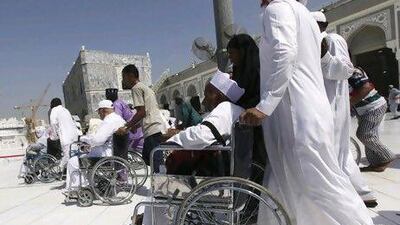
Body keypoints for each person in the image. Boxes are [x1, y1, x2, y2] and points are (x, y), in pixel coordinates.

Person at [240, 0, 373, 224]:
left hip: (296, 114)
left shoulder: (277, 9)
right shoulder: (301, 13)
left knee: (322, 185)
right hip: (303, 111)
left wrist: (265, 106)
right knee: (286, 182)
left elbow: (284, 52)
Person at [138, 70, 245, 225]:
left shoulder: (225, 108)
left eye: (207, 93)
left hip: (211, 176)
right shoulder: (235, 110)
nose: (204, 100)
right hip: (220, 171)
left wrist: (173, 139)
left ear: (218, 94)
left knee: (157, 189)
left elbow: (202, 134)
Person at [311, 11, 377, 207]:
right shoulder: (316, 43)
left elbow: (345, 70)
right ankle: (361, 194)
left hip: (334, 104)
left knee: (336, 151)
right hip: (323, 104)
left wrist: (323, 56)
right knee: (338, 152)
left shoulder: (332, 39)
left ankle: (352, 196)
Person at [227, 33, 267, 188]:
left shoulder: (258, 68)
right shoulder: (239, 70)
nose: (230, 57)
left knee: (260, 163)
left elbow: (260, 96)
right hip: (245, 126)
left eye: (232, 53)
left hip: (260, 125)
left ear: (242, 51)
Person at [65, 100, 126, 191]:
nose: (99, 115)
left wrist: (83, 139)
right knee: (82, 157)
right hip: (115, 153)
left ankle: (77, 188)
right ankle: (89, 184)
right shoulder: (119, 119)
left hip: (105, 155)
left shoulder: (109, 120)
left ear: (103, 110)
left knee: (73, 161)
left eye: (99, 112)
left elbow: (98, 140)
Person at [349, 67, 397, 172]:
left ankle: (387, 156)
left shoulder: (352, 71)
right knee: (371, 135)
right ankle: (376, 164)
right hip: (364, 110)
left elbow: (366, 87)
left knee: (364, 134)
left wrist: (349, 103)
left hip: (374, 107)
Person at [118, 64, 164, 172]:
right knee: (149, 159)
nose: (123, 81)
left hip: (151, 129)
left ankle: (162, 183)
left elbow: (141, 112)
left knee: (155, 161)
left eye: (123, 77)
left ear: (130, 76)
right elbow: (147, 112)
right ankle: (160, 181)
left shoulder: (136, 88)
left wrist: (127, 126)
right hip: (155, 127)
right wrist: (135, 125)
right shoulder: (145, 88)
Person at [49, 98, 79, 172]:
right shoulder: (65, 110)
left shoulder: (54, 110)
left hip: (65, 136)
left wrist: (54, 136)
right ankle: (68, 170)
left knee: (67, 155)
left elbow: (53, 123)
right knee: (73, 154)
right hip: (74, 135)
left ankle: (58, 170)